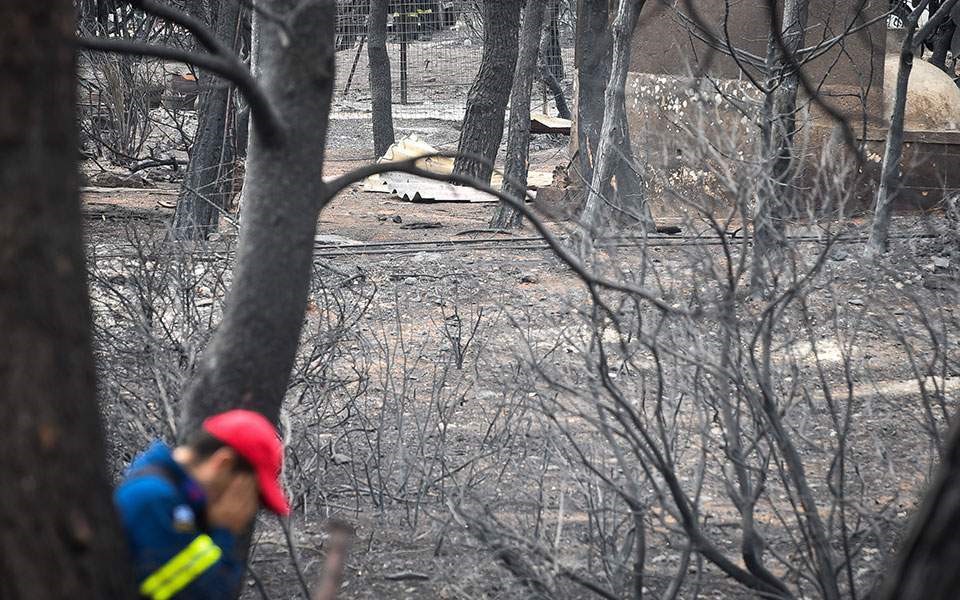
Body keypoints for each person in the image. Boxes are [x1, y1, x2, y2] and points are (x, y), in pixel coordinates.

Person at [114, 410, 290, 600]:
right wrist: (224, 530)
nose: (249, 509)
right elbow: (204, 594)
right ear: (223, 464)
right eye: (253, 495)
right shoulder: (155, 499)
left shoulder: (180, 500)